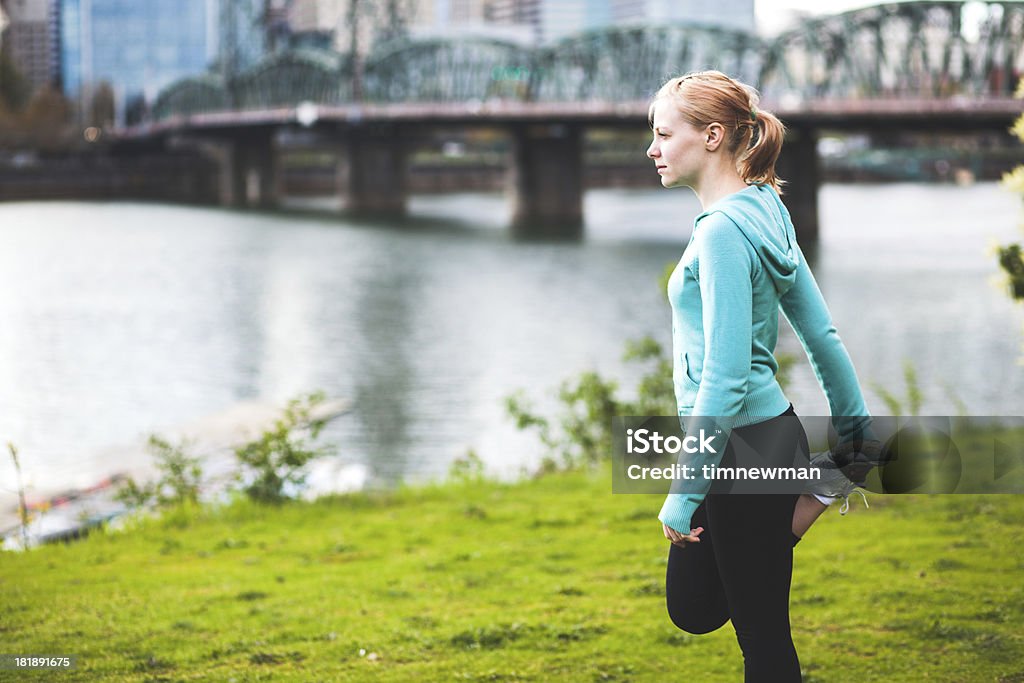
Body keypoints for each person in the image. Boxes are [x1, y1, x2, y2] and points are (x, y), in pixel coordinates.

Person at [646, 71, 875, 682]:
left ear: (714, 136)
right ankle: (818, 489)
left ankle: (813, 493)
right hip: (766, 439)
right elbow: (821, 333)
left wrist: (683, 491)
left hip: (739, 449)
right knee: (693, 608)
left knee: (765, 643)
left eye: (664, 134)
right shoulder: (767, 208)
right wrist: (856, 438)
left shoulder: (723, 231)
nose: (653, 149)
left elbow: (723, 378)